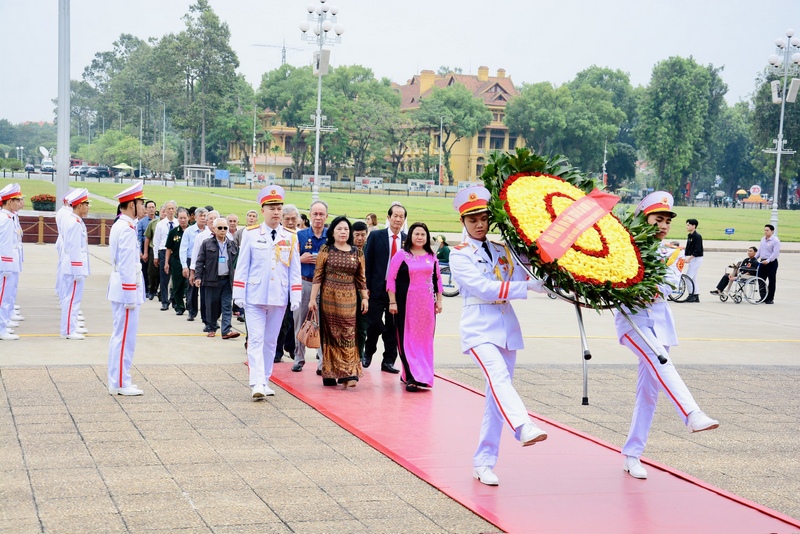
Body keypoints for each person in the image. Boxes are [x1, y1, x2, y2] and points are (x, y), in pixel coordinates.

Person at [448, 185, 548, 487]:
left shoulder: (503, 249)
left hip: (506, 327)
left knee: (495, 397)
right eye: (473, 219)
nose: (480, 224)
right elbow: (485, 289)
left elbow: (523, 277)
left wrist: (535, 266)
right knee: (498, 377)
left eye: (484, 218)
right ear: (463, 222)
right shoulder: (459, 255)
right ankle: (523, 426)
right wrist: (526, 287)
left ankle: (484, 462)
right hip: (478, 327)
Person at [617, 192, 719, 480]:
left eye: (666, 221)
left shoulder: (672, 253)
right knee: (662, 363)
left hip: (660, 323)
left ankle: (632, 454)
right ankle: (692, 414)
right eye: (657, 219)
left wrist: (650, 281)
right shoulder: (625, 249)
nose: (663, 225)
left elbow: (670, 286)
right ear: (644, 219)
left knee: (649, 393)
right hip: (633, 321)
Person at [233, 186, 301, 399]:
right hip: (255, 295)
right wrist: (238, 293)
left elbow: (294, 269)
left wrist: (295, 296)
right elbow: (242, 265)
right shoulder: (252, 234)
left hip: (278, 297)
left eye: (279, 208)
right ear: (263, 210)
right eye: (272, 207)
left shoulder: (290, 236)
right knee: (255, 339)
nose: (276, 212)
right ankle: (256, 383)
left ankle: (265, 379)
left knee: (271, 340)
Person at [308, 216, 368, 388]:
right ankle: (329, 373)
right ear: (332, 232)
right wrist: (312, 299)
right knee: (331, 334)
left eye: (346, 229)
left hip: (349, 299)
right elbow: (318, 276)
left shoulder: (357, 252)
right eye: (339, 229)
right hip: (328, 299)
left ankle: (348, 373)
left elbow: (361, 278)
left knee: (348, 333)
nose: (343, 232)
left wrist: (365, 298)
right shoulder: (326, 250)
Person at [387, 222, 442, 391]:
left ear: (427, 237)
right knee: (407, 340)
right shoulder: (402, 255)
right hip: (405, 305)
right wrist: (392, 301)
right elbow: (390, 279)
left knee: (424, 341)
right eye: (416, 234)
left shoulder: (431, 256)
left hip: (426, 307)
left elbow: (438, 280)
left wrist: (439, 300)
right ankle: (411, 376)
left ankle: (423, 376)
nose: (419, 237)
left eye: (423, 234)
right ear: (410, 236)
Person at [107, 181, 146, 396]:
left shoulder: (122, 225)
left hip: (122, 288)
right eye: (141, 203)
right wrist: (131, 294)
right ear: (131, 205)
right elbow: (127, 264)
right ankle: (121, 382)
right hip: (125, 290)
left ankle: (119, 379)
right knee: (124, 338)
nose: (143, 206)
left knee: (121, 336)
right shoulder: (127, 228)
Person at [363, 203, 408, 374]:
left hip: (397, 292)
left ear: (404, 220)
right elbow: (367, 262)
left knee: (393, 326)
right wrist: (365, 286)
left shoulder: (406, 240)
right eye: (394, 216)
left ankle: (388, 361)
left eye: (401, 216)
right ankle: (367, 354)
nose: (397, 219)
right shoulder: (376, 236)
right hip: (377, 288)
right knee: (373, 323)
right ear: (388, 218)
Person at [292, 201, 328, 372]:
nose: (318, 218)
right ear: (310, 215)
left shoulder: (331, 236)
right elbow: (289, 261)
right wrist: (301, 259)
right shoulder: (300, 235)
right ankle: (298, 357)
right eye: (315, 214)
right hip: (305, 282)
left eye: (321, 214)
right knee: (300, 321)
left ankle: (322, 362)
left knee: (323, 323)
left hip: (325, 285)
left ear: (326, 216)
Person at [193, 217, 239, 339]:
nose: (223, 230)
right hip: (212, 280)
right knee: (212, 305)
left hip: (227, 280)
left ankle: (226, 330)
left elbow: (237, 263)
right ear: (214, 229)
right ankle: (211, 327)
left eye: (225, 228)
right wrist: (198, 276)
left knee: (226, 305)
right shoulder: (207, 243)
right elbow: (200, 261)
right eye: (220, 228)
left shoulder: (231, 244)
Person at [58, 189, 91, 340]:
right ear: (79, 205)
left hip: (74, 266)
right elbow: (74, 248)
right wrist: (78, 270)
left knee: (72, 299)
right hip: (73, 268)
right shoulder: (74, 223)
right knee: (71, 299)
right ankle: (68, 330)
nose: (88, 207)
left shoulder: (76, 220)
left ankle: (71, 326)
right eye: (86, 204)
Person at [274, 204, 300, 363]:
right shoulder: (278, 236)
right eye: (287, 219)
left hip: (297, 283)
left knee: (295, 319)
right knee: (280, 320)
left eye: (293, 219)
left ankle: (291, 347)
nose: (290, 222)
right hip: (280, 283)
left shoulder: (302, 236)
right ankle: (277, 351)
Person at [0, 184, 24, 341]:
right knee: (3, 297)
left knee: (7, 296)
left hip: (10, 262)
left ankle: (4, 323)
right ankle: (1, 328)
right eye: (17, 200)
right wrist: (7, 265)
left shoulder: (10, 217)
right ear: (9, 201)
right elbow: (5, 244)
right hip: (5, 263)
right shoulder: (6, 219)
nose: (19, 203)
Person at [191, 210, 219, 332]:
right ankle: (207, 321)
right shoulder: (201, 237)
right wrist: (194, 272)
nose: (213, 221)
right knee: (205, 298)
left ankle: (214, 319)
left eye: (215, 218)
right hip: (205, 272)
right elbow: (196, 255)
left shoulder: (226, 235)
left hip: (220, 273)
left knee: (217, 299)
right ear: (206, 222)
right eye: (210, 219)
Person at [180, 208, 207, 322]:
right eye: (200, 215)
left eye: (204, 216)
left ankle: (206, 314)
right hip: (192, 260)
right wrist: (184, 266)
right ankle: (192, 311)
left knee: (205, 289)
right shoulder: (189, 231)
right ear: (195, 217)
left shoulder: (209, 231)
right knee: (192, 288)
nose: (202, 218)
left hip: (206, 262)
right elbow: (183, 249)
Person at [164, 207, 189, 315]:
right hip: (176, 261)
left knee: (189, 286)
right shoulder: (173, 232)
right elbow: (168, 248)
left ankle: (190, 306)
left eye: (184, 218)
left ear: (188, 218)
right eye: (180, 218)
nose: (183, 220)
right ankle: (179, 306)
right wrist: (166, 262)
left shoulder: (192, 231)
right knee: (177, 285)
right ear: (177, 219)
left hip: (189, 260)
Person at [153, 200, 177, 310]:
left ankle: (174, 299)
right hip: (163, 252)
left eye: (173, 209)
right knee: (164, 278)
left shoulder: (178, 223)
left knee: (176, 278)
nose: (171, 211)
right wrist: (156, 256)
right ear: (165, 211)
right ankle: (164, 301)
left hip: (175, 252)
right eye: (169, 209)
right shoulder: (160, 224)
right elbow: (156, 241)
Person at [352, 221, 369, 361]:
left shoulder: (369, 250)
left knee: (362, 327)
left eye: (363, 235)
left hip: (365, 295)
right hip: (348, 293)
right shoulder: (346, 250)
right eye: (357, 235)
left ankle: (360, 354)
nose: (359, 238)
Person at [758, 224, 780, 304]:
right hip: (762, 262)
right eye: (765, 230)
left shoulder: (775, 241)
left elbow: (775, 253)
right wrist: (755, 258)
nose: (765, 232)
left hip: (771, 263)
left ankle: (770, 298)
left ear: (772, 231)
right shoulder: (763, 239)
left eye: (767, 230)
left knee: (771, 281)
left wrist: (768, 260)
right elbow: (760, 250)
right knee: (760, 279)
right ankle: (763, 297)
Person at [682, 218, 703, 302]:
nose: (687, 227)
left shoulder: (697, 236)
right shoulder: (690, 236)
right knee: (693, 278)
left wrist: (690, 257)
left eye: (688, 225)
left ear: (694, 226)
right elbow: (688, 248)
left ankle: (691, 294)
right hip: (692, 258)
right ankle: (696, 295)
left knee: (688, 277)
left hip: (696, 259)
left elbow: (697, 250)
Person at [142, 207, 161, 300]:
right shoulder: (153, 223)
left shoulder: (174, 223)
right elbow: (147, 238)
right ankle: (151, 290)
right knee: (152, 271)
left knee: (163, 274)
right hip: (154, 249)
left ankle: (161, 292)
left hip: (167, 250)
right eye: (163, 211)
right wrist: (145, 252)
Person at [137, 200, 155, 294]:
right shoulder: (142, 222)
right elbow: (139, 238)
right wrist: (142, 252)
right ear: (146, 209)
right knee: (145, 269)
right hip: (146, 246)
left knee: (154, 270)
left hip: (155, 247)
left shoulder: (159, 220)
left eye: (153, 207)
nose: (151, 209)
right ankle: (146, 289)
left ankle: (153, 288)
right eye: (149, 207)